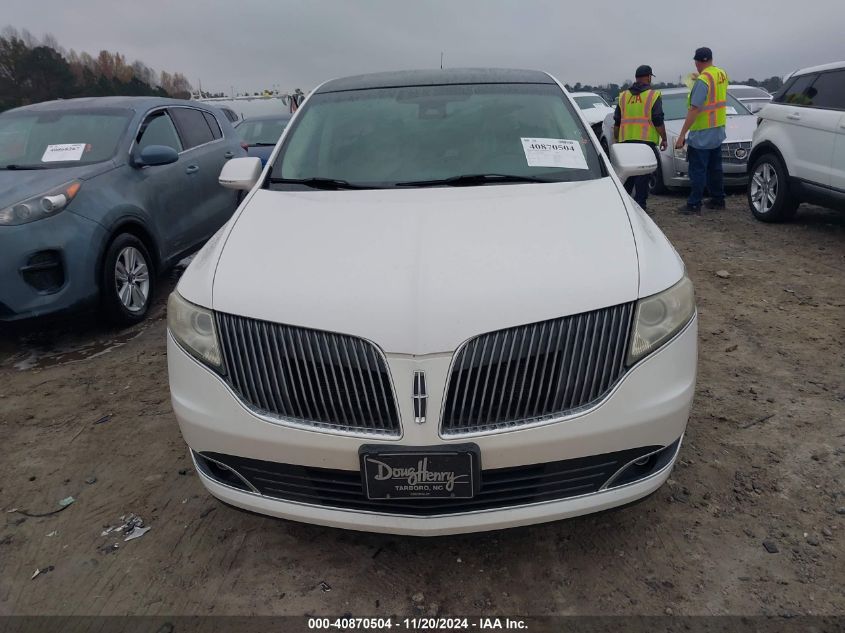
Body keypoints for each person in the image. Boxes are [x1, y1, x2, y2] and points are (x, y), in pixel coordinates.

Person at [674, 47, 729, 214]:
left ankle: (694, 204)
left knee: (697, 170)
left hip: (702, 133)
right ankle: (718, 200)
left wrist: (682, 134)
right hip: (717, 130)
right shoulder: (721, 74)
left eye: (696, 63)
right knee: (715, 169)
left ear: (699, 62)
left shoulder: (703, 80)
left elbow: (694, 109)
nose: (696, 66)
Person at [613, 65, 668, 211]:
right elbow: (657, 119)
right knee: (643, 175)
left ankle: (622, 206)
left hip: (626, 142)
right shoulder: (653, 95)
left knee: (628, 175)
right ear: (649, 77)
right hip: (645, 143)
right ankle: (640, 208)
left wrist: (616, 140)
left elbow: (617, 122)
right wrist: (664, 138)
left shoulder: (623, 96)